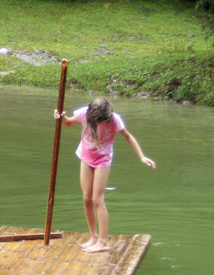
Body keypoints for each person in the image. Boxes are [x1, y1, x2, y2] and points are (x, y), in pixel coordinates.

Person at [54, 97, 156, 253]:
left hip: (103, 160)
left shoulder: (115, 120)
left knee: (97, 199)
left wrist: (142, 156)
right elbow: (68, 123)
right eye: (97, 121)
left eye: (103, 121)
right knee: (86, 198)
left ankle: (103, 241)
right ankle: (93, 236)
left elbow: (128, 136)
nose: (100, 124)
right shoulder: (84, 113)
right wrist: (60, 117)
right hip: (86, 158)